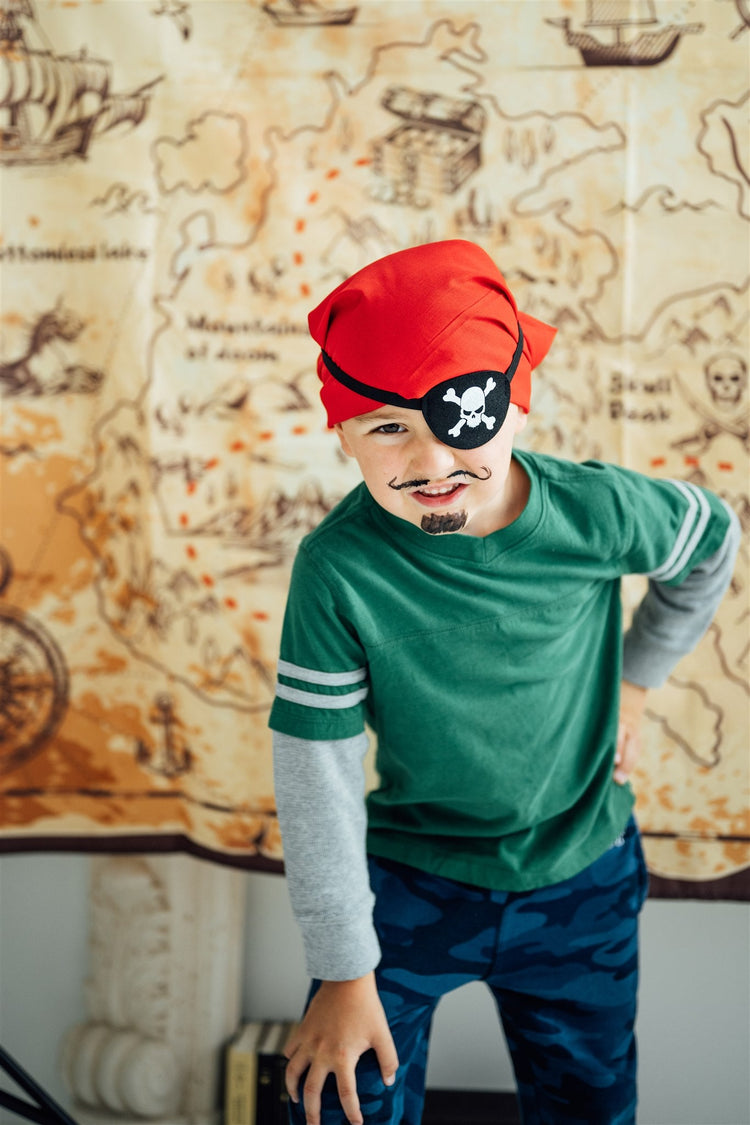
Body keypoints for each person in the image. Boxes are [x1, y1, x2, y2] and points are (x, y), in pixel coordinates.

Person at [268, 240, 739, 1125]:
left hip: (580, 872)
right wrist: (342, 966)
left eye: (461, 419)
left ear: (516, 408)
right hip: (411, 881)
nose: (433, 460)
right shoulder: (338, 569)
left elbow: (711, 540)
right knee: (335, 1100)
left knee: (590, 1109)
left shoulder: (596, 513)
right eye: (388, 428)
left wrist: (635, 681)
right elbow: (315, 770)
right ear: (342, 433)